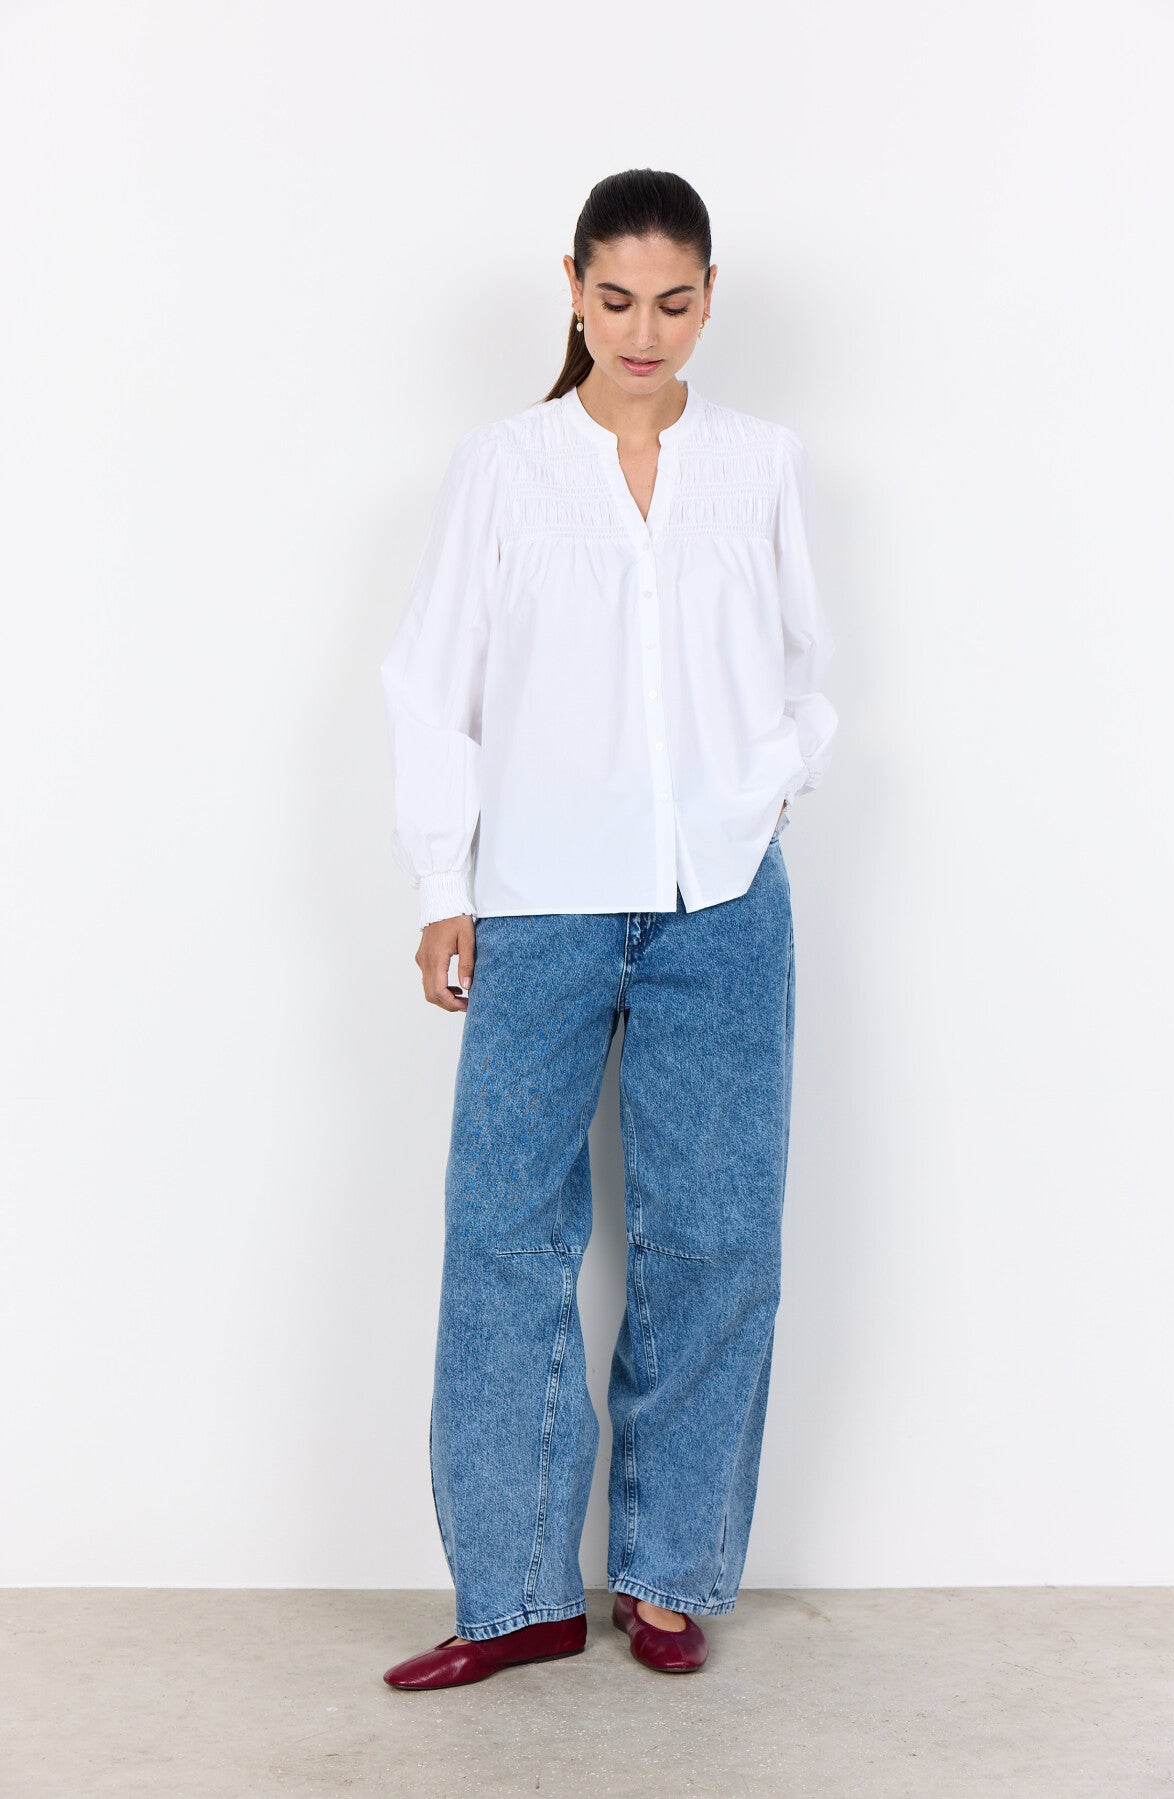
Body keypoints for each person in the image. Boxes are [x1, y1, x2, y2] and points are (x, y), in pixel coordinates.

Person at [378, 168, 837, 1690]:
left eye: (676, 302)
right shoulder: (503, 467)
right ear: (573, 288)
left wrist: (762, 788)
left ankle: (669, 1575)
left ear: (712, 298)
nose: (645, 331)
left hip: (723, 902)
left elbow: (803, 667)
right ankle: (513, 1595)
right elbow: (431, 682)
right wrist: (442, 884)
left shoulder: (762, 464)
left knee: (716, 1236)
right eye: (618, 298)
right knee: (504, 1233)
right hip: (541, 898)